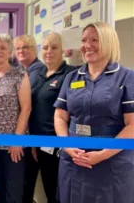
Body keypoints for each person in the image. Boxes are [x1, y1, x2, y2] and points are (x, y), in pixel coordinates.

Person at [54, 22, 134, 203]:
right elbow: (60, 116)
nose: (87, 45)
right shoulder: (72, 77)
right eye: (83, 40)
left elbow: (132, 125)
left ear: (108, 43)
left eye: (94, 40)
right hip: (74, 160)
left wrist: (102, 154)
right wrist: (66, 145)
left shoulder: (127, 77)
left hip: (111, 163)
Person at [0, 34, 31, 203]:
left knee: (14, 192)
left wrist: (17, 139)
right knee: (0, 189)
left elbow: (26, 108)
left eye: (3, 48)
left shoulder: (19, 74)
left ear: (10, 51)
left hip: (13, 145)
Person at [29, 32, 76, 203]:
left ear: (63, 50)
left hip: (58, 144)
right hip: (38, 143)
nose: (49, 51)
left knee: (58, 192)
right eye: (46, 47)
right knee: (45, 189)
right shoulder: (39, 74)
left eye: (54, 48)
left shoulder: (70, 74)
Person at [13, 34, 44, 203]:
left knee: (26, 182)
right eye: (18, 48)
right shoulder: (23, 71)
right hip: (25, 133)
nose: (21, 51)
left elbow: (26, 105)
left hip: (32, 134)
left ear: (34, 49)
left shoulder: (37, 71)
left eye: (26, 47)